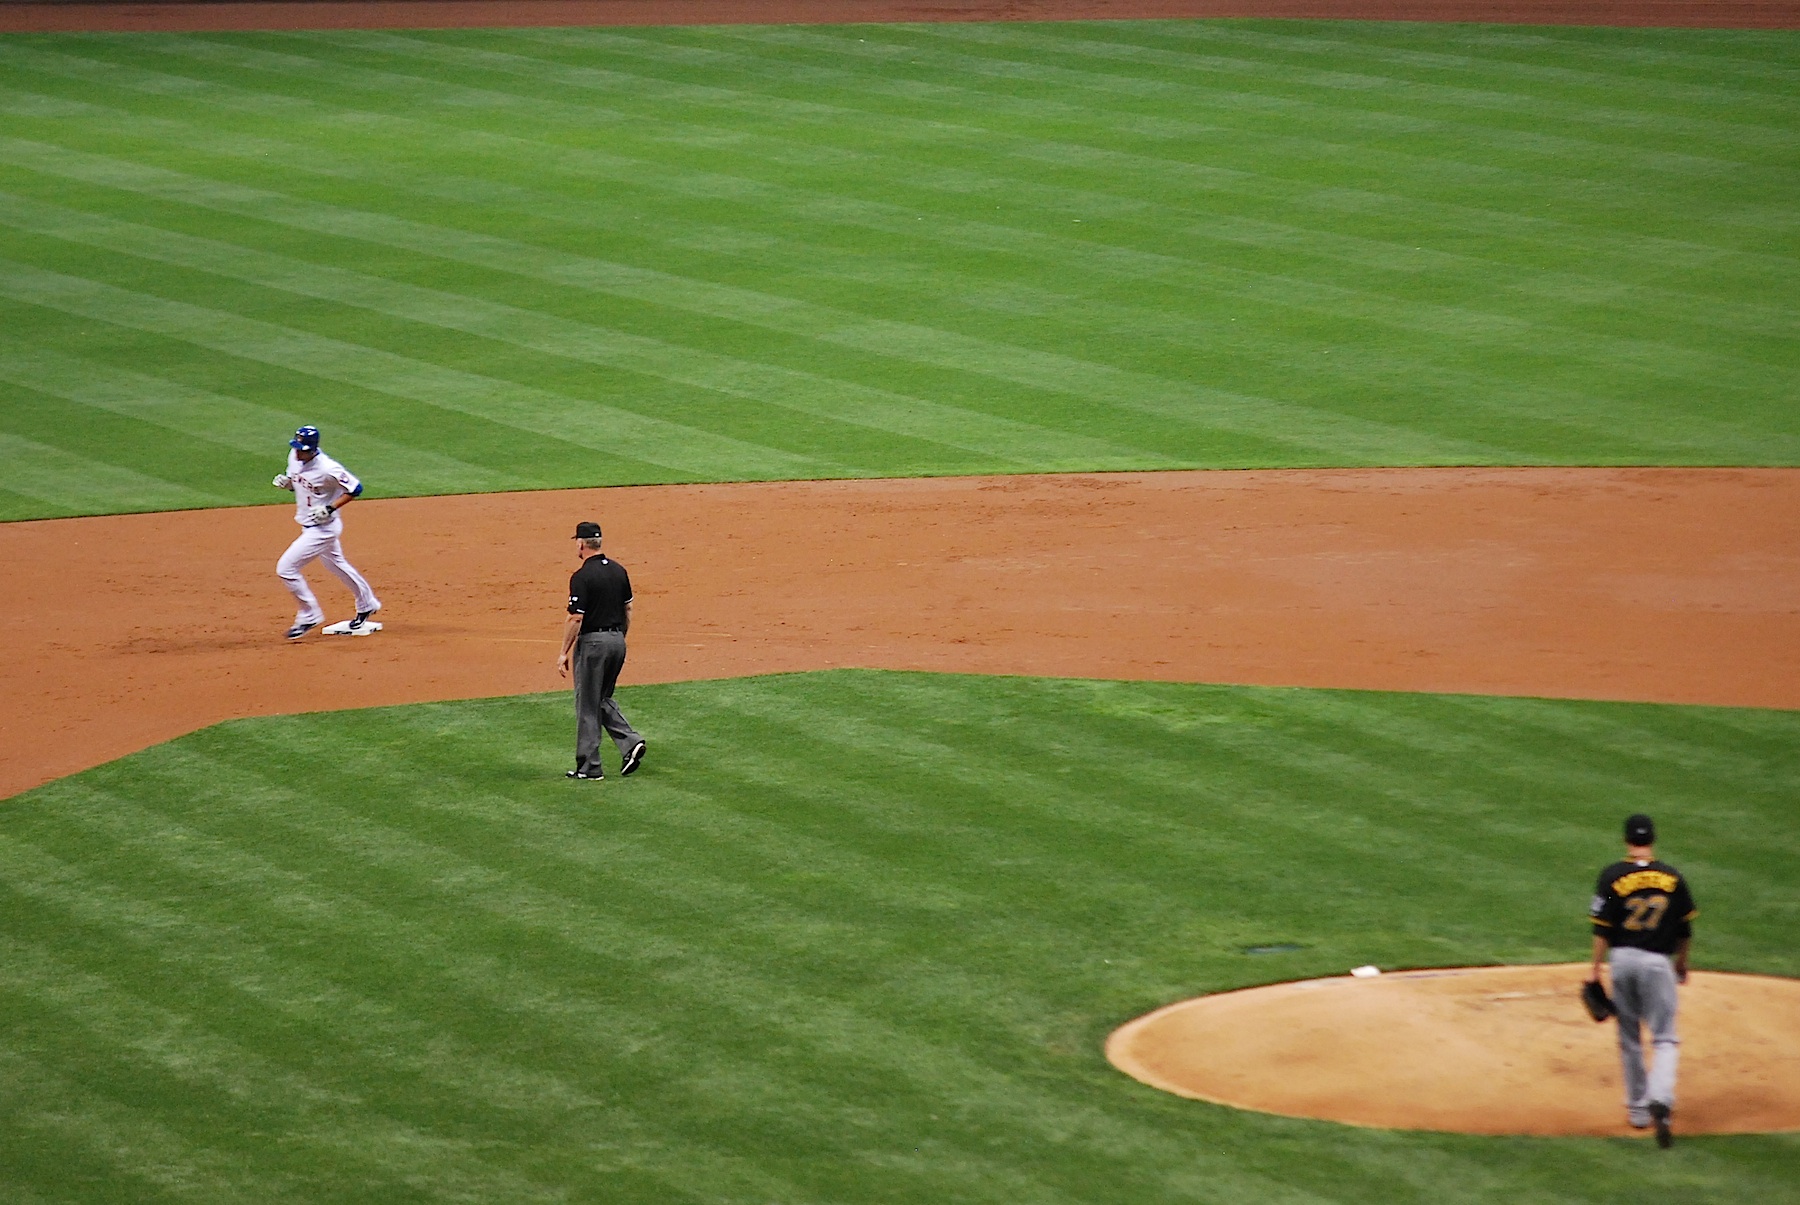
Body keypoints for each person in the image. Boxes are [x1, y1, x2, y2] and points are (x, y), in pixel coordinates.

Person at [1586, 813, 1697, 1148]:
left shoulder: (1612, 875)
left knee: (1629, 1037)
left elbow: (1601, 929)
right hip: (1657, 963)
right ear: (1653, 840)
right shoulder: (1672, 878)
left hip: (1622, 961)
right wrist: (1681, 964)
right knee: (1664, 1038)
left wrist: (1594, 971)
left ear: (1626, 841)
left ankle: (1637, 1111)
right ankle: (1660, 1097)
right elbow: (1685, 929)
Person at [556, 521, 646, 780]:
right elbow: (628, 608)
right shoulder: (619, 570)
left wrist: (563, 652)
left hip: (593, 644)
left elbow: (576, 617)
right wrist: (619, 638)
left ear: (581, 544)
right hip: (617, 641)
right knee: (601, 698)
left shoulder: (582, 576)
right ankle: (630, 743)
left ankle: (590, 766)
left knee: (587, 703)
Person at [273, 425, 381, 640]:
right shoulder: (294, 457)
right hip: (310, 525)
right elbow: (301, 485)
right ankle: (367, 603)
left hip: (323, 530)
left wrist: (330, 508)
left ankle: (309, 615)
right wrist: (288, 485)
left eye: (303, 450)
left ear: (313, 449)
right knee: (337, 565)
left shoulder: (328, 468)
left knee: (286, 568)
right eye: (296, 448)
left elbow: (356, 488)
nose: (298, 453)